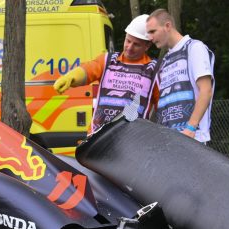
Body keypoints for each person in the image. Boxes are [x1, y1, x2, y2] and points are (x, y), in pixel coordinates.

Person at [53, 14, 158, 133]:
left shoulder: (153, 70)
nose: (129, 47)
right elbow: (89, 69)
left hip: (132, 142)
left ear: (148, 45)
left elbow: (164, 106)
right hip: (99, 138)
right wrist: (71, 77)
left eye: (136, 44)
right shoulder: (108, 60)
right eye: (128, 41)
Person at [146, 9, 215, 143]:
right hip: (171, 141)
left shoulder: (194, 48)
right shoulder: (165, 60)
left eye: (153, 31)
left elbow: (206, 90)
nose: (150, 38)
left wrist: (190, 128)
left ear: (167, 26)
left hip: (192, 139)